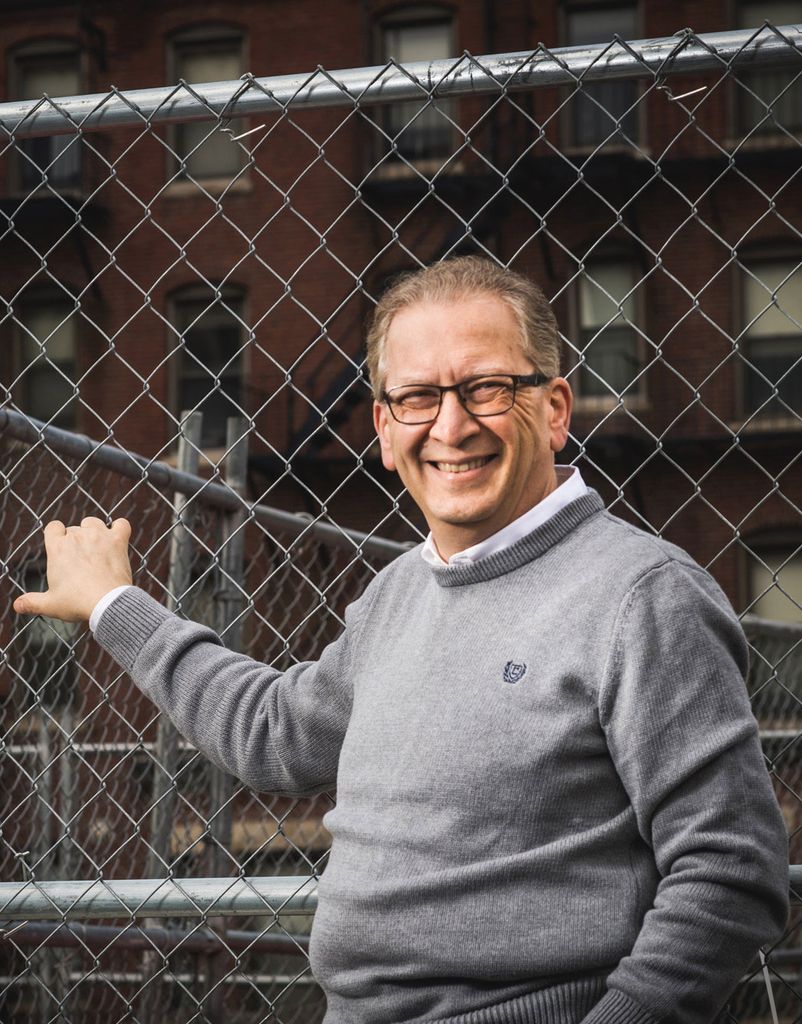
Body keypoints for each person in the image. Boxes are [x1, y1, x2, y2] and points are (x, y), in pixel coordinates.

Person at [14, 257, 789, 1024]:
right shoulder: (402, 591)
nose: (451, 426)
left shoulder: (642, 596)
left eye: (486, 388)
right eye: (417, 398)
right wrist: (115, 605)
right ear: (385, 430)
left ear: (554, 408)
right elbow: (272, 732)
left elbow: (730, 873)